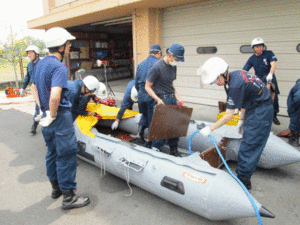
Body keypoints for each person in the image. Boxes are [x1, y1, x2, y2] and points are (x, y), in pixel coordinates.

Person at [31, 27, 90, 210]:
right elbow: (56, 95)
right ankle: (69, 197)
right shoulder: (58, 66)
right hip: (59, 117)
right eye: (68, 44)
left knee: (52, 153)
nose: (70, 46)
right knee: (66, 156)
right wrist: (53, 113)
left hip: (47, 118)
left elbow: (33, 87)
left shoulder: (39, 64)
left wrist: (43, 110)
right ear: (61, 46)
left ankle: (56, 189)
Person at [198, 57, 273, 190]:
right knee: (248, 142)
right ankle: (244, 176)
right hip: (255, 105)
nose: (216, 83)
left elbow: (228, 114)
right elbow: (245, 99)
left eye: (216, 79)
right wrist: (242, 120)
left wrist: (211, 128)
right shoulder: (236, 75)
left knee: (249, 145)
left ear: (223, 73)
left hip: (261, 110)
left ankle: (243, 181)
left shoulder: (235, 85)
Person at [145, 44, 185, 157]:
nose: (177, 62)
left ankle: (173, 149)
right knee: (161, 128)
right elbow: (147, 86)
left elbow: (171, 84)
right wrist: (157, 99)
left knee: (175, 125)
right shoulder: (156, 67)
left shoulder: (173, 66)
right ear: (170, 55)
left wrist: (178, 98)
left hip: (172, 98)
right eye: (176, 59)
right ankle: (156, 150)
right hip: (162, 100)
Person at [243, 37, 281, 125]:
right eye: (256, 46)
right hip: (259, 80)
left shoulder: (269, 53)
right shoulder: (252, 58)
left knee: (273, 98)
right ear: (253, 48)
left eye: (260, 46)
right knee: (260, 98)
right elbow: (245, 70)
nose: (258, 48)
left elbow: (273, 65)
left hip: (270, 78)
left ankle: (274, 116)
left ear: (263, 46)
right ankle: (262, 117)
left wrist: (270, 74)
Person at [135, 44, 162, 142]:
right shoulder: (160, 64)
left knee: (145, 114)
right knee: (153, 120)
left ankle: (140, 133)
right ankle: (150, 143)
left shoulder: (140, 64)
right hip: (152, 96)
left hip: (141, 95)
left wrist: (140, 93)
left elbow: (136, 83)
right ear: (159, 53)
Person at [20, 45, 42, 135]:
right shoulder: (29, 65)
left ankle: (48, 130)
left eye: (30, 53)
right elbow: (27, 77)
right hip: (35, 91)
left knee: (43, 109)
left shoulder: (42, 64)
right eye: (28, 53)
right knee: (38, 109)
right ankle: (34, 126)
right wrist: (22, 88)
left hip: (43, 90)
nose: (29, 55)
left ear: (36, 54)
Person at [287, 79, 300, 147]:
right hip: (296, 104)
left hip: (296, 102)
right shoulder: (298, 87)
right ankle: (294, 137)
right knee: (295, 118)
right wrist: (293, 109)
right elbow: (298, 98)